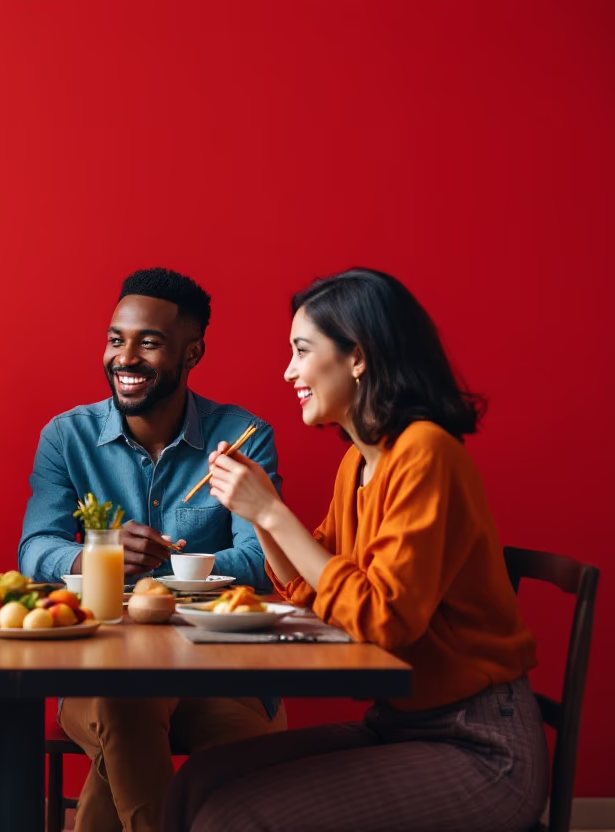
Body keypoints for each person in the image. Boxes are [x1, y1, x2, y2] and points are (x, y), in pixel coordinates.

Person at [164, 268, 546, 832]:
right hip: (400, 723)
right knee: (195, 784)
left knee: (231, 817)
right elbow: (312, 587)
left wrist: (271, 511)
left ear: (358, 357)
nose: (289, 371)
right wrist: (256, 511)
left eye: (301, 350)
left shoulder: (425, 454)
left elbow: (381, 619)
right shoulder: (358, 463)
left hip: (482, 746)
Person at [19, 268, 286, 832]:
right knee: (126, 701)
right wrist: (99, 551)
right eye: (116, 339)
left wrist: (154, 575)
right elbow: (35, 550)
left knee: (192, 777)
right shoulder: (67, 437)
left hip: (221, 674)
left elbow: (262, 562)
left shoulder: (241, 436)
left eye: (150, 342)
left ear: (193, 353)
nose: (125, 357)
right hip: (100, 671)